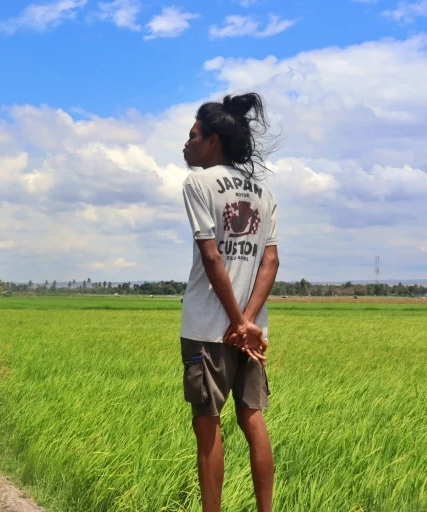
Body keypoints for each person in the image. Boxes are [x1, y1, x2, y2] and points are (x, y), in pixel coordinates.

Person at [180, 92, 280, 512]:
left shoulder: (198, 183)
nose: (186, 144)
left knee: (208, 426)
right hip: (252, 334)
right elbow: (271, 261)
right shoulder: (263, 192)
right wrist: (248, 323)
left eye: (193, 136)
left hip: (207, 328)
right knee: (252, 418)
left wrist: (236, 321)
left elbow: (212, 256)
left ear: (213, 141)